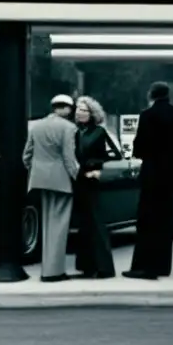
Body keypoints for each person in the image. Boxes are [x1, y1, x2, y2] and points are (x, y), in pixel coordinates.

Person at [124, 82, 173, 280]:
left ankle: (145, 267)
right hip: (172, 175)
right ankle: (163, 266)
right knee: (164, 219)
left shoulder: (148, 115)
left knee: (147, 221)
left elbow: (139, 148)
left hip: (153, 174)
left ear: (151, 95)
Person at [23, 94, 79, 282]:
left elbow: (26, 155)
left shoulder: (36, 125)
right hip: (61, 179)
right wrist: (77, 176)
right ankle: (54, 272)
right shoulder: (69, 128)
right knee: (59, 227)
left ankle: (47, 268)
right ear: (66, 108)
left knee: (47, 225)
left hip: (40, 179)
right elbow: (69, 158)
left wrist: (36, 170)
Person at [73, 96, 116, 279]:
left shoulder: (99, 132)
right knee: (84, 225)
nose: (80, 112)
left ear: (92, 113)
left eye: (84, 110)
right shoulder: (75, 132)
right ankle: (86, 267)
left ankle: (105, 268)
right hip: (78, 181)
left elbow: (112, 155)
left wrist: (97, 169)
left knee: (97, 224)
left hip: (92, 180)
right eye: (78, 109)